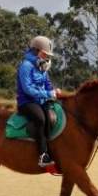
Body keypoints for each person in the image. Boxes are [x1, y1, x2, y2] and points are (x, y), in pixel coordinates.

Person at [17, 36, 61, 168]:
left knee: (53, 115)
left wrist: (54, 91)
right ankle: (42, 155)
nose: (47, 57)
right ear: (36, 51)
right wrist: (47, 94)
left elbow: (47, 84)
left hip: (41, 101)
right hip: (27, 102)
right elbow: (27, 89)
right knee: (41, 119)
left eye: (48, 55)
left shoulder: (41, 66)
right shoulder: (26, 66)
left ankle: (52, 149)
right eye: (45, 54)